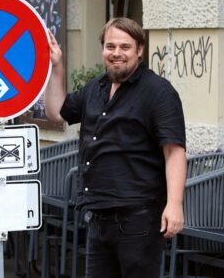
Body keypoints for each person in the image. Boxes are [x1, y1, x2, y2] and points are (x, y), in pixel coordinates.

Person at [44, 17, 187, 278]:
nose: (117, 54)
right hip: (99, 217)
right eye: (110, 46)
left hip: (138, 219)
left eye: (125, 47)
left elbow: (174, 151)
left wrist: (175, 204)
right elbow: (56, 112)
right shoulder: (95, 88)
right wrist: (56, 67)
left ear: (139, 50)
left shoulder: (159, 93)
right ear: (103, 50)